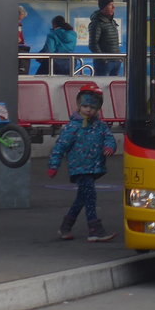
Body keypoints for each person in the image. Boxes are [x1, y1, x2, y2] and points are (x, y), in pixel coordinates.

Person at [47, 83, 118, 242]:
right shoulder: (72, 127)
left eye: (93, 107)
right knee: (90, 196)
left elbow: (109, 138)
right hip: (79, 168)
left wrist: (109, 147)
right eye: (85, 106)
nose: (88, 110)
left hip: (93, 167)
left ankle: (66, 227)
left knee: (82, 198)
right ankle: (94, 229)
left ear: (98, 108)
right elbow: (60, 146)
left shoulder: (100, 126)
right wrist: (53, 165)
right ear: (79, 105)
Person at [88, 0, 122, 75]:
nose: (113, 7)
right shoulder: (97, 23)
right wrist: (103, 59)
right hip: (104, 63)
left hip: (116, 60)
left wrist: (119, 58)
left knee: (113, 85)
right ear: (103, 7)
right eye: (110, 5)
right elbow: (93, 44)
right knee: (102, 84)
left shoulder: (112, 22)